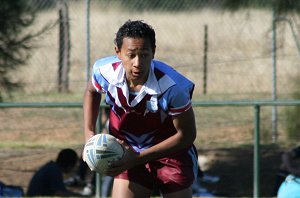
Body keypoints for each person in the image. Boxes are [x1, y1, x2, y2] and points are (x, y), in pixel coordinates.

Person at [83, 20, 198, 198]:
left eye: (144, 54)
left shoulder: (172, 87)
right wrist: (89, 135)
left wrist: (137, 158)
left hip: (171, 154)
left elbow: (187, 136)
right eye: (131, 55)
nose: (138, 63)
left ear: (154, 52)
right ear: (118, 52)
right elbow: (91, 91)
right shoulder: (104, 71)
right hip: (128, 150)